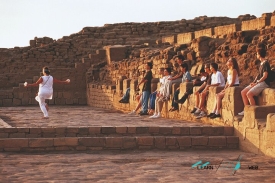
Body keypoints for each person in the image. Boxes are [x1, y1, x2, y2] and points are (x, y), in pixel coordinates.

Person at [238, 48, 270, 115]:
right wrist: (254, 82)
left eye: (257, 54)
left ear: (259, 54)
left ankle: (254, 112)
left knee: (249, 94)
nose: (256, 55)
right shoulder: (261, 63)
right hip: (259, 82)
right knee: (243, 92)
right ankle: (246, 110)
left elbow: (265, 76)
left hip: (264, 83)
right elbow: (258, 75)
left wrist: (257, 83)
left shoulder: (265, 63)